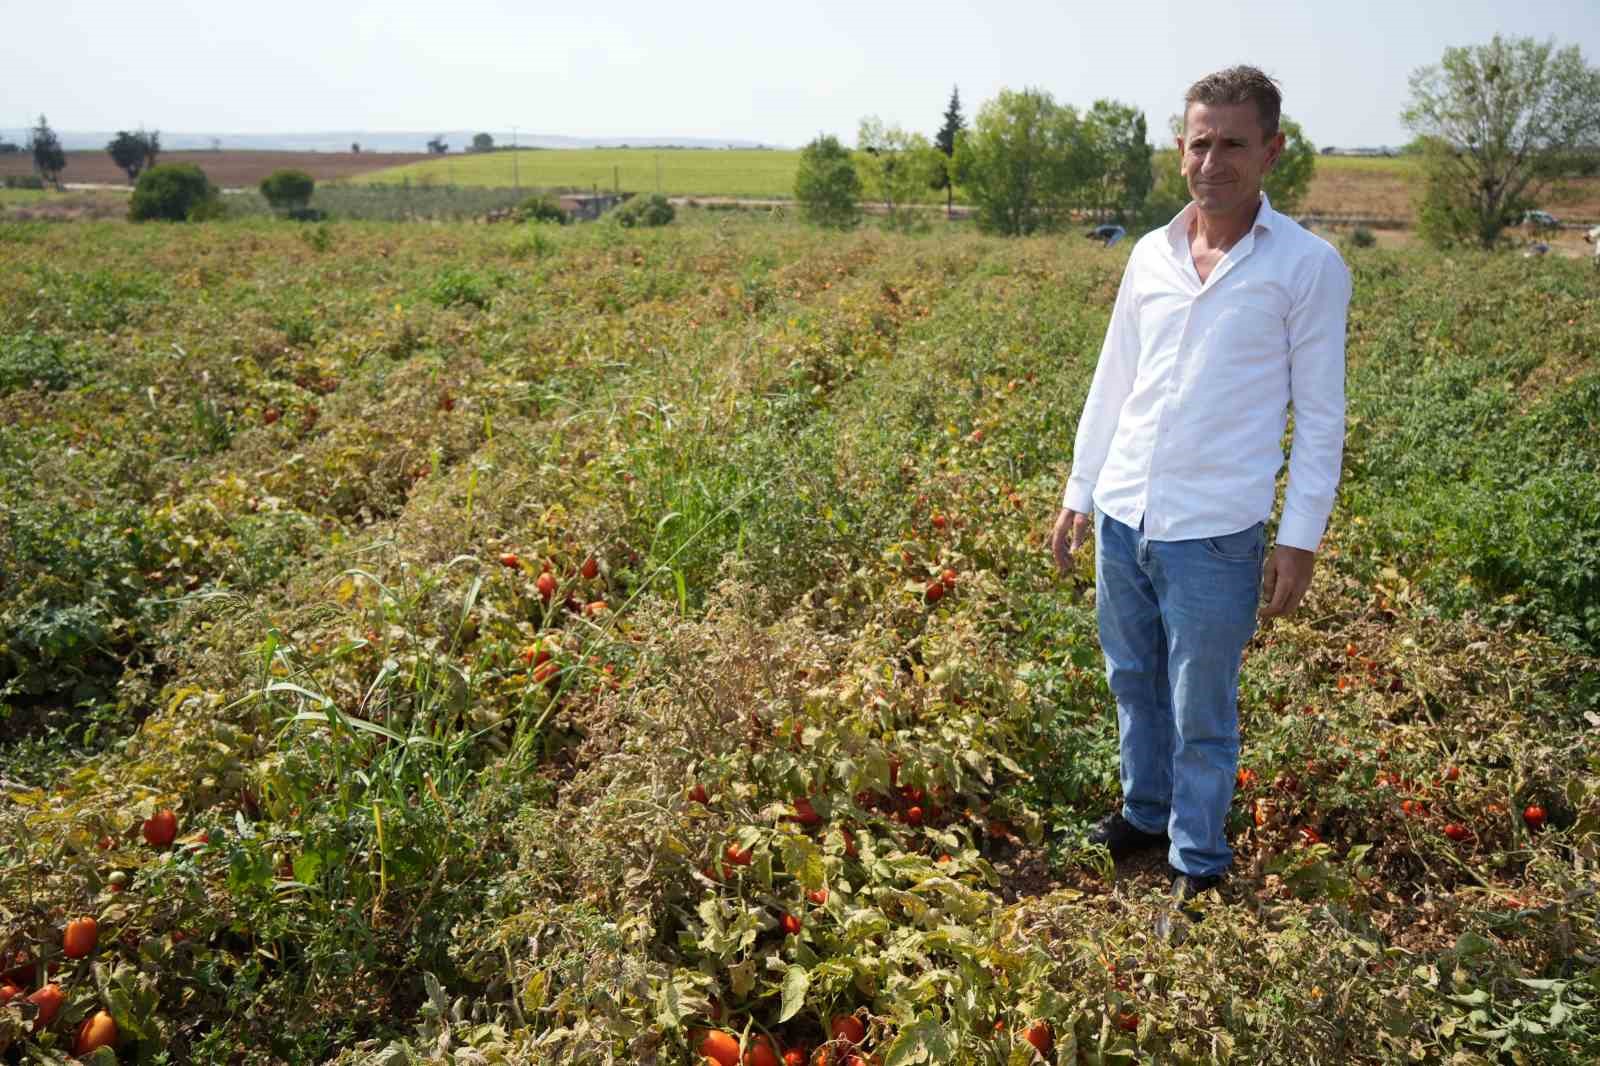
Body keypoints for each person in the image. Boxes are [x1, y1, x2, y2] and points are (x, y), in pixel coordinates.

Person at [1049, 66, 1353, 909]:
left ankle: (1199, 859)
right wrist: (1081, 490)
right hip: (1123, 513)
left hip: (1215, 531)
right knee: (1131, 681)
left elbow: (1322, 417)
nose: (1212, 160)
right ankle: (1145, 816)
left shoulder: (1307, 266)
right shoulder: (1149, 253)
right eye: (1199, 142)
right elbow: (1114, 381)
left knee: (1203, 708)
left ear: (1271, 151)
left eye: (1232, 143)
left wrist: (1300, 537)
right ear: (1180, 148)